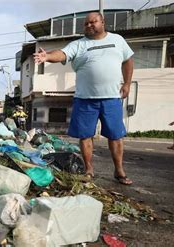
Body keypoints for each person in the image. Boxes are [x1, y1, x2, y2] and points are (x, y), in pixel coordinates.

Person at [33, 12, 134, 185]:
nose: (89, 25)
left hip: (111, 98)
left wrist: (127, 84)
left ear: (102, 22)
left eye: (93, 22)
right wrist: (47, 56)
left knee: (116, 136)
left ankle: (119, 171)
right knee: (85, 136)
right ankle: (88, 170)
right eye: (86, 24)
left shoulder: (118, 40)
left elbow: (128, 61)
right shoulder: (79, 44)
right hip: (85, 99)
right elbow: (62, 54)